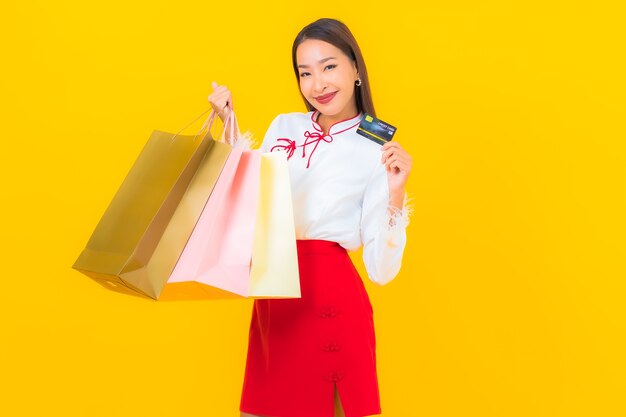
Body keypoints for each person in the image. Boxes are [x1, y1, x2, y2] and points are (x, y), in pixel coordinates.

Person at [208, 17, 413, 417]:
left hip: (331, 301)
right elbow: (252, 199)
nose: (318, 83)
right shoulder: (286, 125)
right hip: (277, 298)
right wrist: (228, 122)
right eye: (306, 72)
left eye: (329, 66)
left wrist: (396, 192)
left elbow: (381, 270)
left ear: (355, 67)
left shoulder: (376, 148)